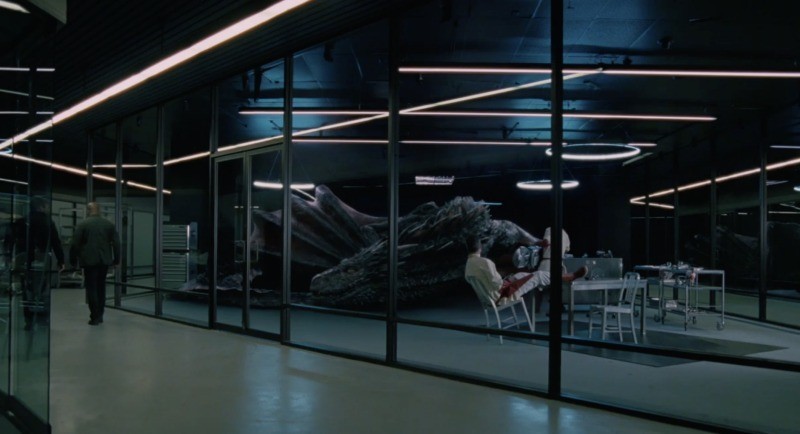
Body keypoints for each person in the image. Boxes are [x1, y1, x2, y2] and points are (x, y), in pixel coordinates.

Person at [464, 235, 586, 306]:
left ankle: (561, 277)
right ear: (480, 247)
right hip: (503, 296)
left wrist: (509, 277)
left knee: (522, 274)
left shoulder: (468, 265)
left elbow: (488, 283)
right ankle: (567, 277)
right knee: (538, 275)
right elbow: (497, 284)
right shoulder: (485, 262)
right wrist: (506, 278)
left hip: (491, 298)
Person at [3, 196, 65, 330]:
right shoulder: (48, 221)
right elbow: (55, 242)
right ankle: (42, 318)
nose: (48, 209)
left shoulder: (21, 221)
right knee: (43, 289)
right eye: (46, 206)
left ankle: (29, 320)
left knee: (27, 289)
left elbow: (9, 240)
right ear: (41, 207)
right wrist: (61, 260)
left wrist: (8, 258)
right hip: (43, 257)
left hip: (24, 258)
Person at [70, 202, 120, 326]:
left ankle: (95, 316)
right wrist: (117, 260)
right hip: (104, 261)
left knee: (91, 288)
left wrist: (73, 260)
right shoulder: (109, 225)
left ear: (88, 210)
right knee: (101, 287)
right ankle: (100, 314)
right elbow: (117, 243)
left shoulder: (83, 225)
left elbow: (75, 244)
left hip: (89, 261)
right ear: (99, 210)